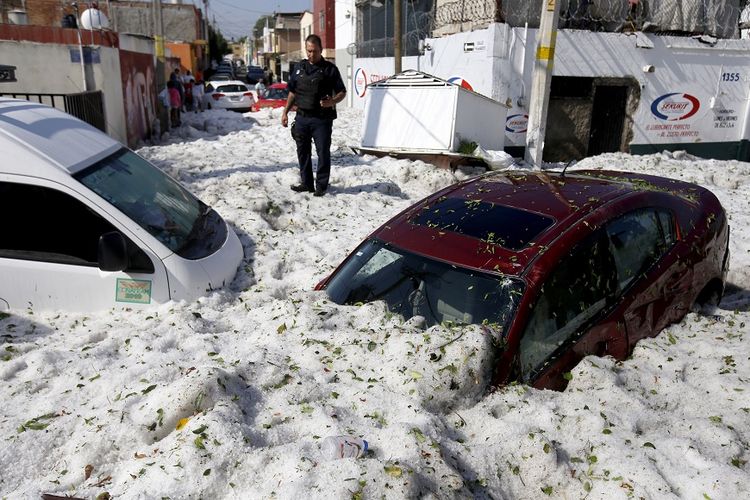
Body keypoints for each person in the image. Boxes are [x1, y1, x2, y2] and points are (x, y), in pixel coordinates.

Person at [282, 34, 346, 197]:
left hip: (321, 120)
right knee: (302, 151)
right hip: (302, 117)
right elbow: (292, 92)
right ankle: (307, 183)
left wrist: (331, 102)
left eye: (315, 51)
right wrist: (285, 112)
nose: (311, 54)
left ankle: (321, 185)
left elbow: (342, 92)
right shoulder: (298, 68)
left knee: (323, 152)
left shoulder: (330, 69)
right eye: (309, 51)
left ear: (321, 50)